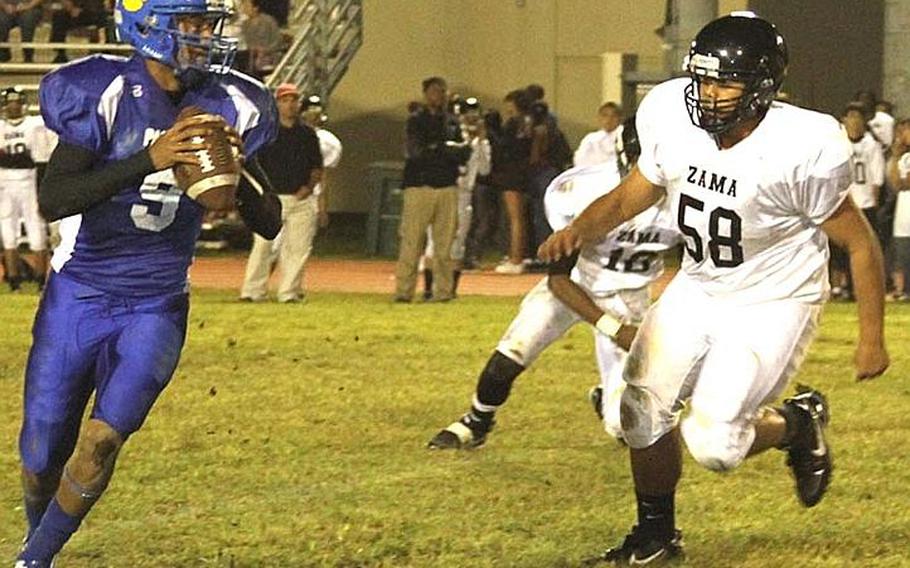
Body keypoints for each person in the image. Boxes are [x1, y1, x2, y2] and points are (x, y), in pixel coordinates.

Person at [539, 13, 888, 564]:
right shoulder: (670, 114)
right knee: (638, 410)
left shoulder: (804, 144)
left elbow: (861, 243)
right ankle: (656, 536)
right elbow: (636, 192)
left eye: (725, 82)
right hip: (699, 286)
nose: (708, 94)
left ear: (763, 89)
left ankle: (797, 425)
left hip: (772, 301)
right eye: (702, 79)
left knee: (715, 445)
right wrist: (579, 230)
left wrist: (871, 338)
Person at [15, 0, 283, 563]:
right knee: (41, 457)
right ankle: (39, 541)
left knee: (102, 441)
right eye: (189, 22)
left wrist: (235, 176)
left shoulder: (226, 102)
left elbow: (271, 219)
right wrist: (151, 157)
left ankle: (32, 560)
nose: (202, 34)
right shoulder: (106, 92)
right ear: (147, 23)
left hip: (156, 303)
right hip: (80, 291)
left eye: (206, 23)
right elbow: (55, 198)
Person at [428, 117, 680, 449]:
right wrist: (614, 329)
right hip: (576, 284)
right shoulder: (584, 190)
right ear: (623, 157)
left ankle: (607, 397)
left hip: (630, 296)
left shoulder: (687, 198)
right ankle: (476, 421)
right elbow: (558, 280)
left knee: (626, 428)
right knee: (510, 356)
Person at [240, 83, 323, 303]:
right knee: (263, 247)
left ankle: (289, 293)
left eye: (293, 100)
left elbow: (317, 166)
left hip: (300, 197)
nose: (290, 105)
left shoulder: (307, 134)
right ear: (277, 104)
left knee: (298, 249)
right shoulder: (266, 133)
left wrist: (308, 187)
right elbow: (253, 163)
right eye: (285, 100)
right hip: (272, 199)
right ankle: (252, 291)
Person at [393, 76, 468, 302]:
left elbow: (464, 152)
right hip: (420, 185)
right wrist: (446, 150)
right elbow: (415, 152)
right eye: (435, 91)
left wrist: (440, 149)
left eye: (442, 91)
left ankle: (444, 292)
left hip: (447, 185)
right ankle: (404, 291)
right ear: (426, 94)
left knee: (445, 246)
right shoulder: (415, 121)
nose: (440, 95)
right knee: (412, 242)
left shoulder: (453, 122)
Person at [420, 96, 491, 299]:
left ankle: (450, 289)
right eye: (467, 112)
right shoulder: (451, 135)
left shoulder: (480, 141)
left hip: (464, 195)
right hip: (445, 190)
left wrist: (482, 140)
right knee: (435, 239)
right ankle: (429, 288)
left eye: (474, 112)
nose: (471, 116)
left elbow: (485, 170)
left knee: (458, 242)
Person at [0, 86, 55, 291]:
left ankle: (41, 277)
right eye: (10, 102)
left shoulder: (35, 125)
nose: (13, 106)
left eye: (17, 102)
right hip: (4, 181)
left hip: (29, 179)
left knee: (36, 228)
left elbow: (41, 159)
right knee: (8, 230)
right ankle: (14, 279)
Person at [491, 89, 533, 274]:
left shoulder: (515, 123)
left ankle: (516, 259)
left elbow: (504, 146)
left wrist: (491, 133)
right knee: (519, 218)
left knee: (516, 218)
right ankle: (517, 256)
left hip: (512, 173)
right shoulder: (528, 122)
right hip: (522, 172)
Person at [300, 94, 342, 230]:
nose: (313, 116)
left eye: (316, 112)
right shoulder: (288, 134)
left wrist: (322, 206)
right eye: (311, 111)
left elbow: (323, 177)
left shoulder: (327, 141)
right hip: (283, 192)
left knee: (298, 246)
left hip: (309, 195)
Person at [574, 102, 623, 167]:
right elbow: (579, 159)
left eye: (614, 116)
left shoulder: (624, 137)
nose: (609, 119)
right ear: (599, 118)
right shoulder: (590, 139)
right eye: (605, 115)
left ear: (620, 118)